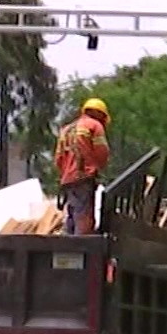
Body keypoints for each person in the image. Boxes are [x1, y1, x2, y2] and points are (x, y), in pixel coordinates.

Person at [54, 97, 112, 235]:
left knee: (71, 215)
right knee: (84, 217)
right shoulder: (94, 126)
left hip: (67, 180)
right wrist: (98, 168)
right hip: (83, 178)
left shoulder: (66, 129)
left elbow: (58, 158)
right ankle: (80, 251)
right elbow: (102, 152)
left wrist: (66, 173)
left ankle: (66, 248)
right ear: (101, 114)